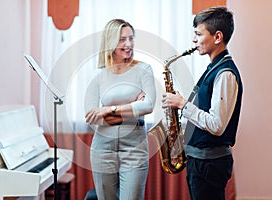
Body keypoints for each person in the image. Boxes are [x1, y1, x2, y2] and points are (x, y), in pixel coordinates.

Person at [162, 6, 243, 200]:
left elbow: (217, 125)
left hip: (210, 163)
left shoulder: (225, 74)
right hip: (201, 160)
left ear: (217, 37)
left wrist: (183, 104)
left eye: (199, 34)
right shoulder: (213, 68)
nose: (194, 40)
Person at [85, 19, 156, 200]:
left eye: (131, 38)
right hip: (102, 148)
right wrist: (133, 108)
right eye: (122, 39)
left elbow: (148, 106)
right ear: (110, 42)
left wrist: (108, 109)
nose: (128, 44)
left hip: (134, 148)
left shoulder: (143, 69)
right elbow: (92, 117)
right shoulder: (98, 75)